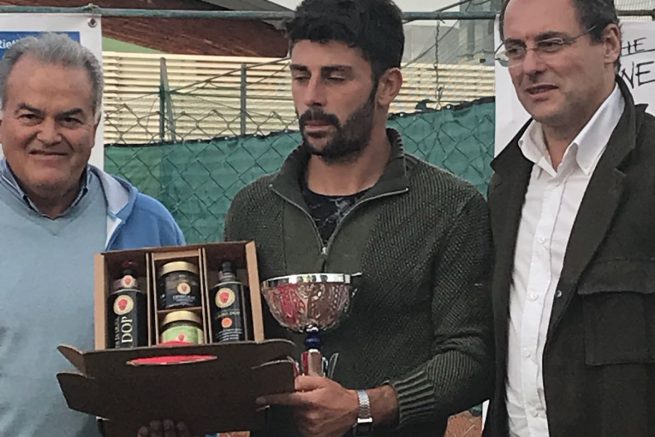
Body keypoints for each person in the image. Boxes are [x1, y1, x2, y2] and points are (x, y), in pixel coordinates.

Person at [223, 0, 494, 435]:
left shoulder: (450, 207)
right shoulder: (253, 208)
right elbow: (230, 346)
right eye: (300, 75)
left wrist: (365, 406)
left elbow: (472, 357)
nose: (311, 97)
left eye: (335, 76)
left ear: (387, 86)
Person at [0, 33, 184, 437]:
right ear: (2, 118)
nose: (49, 135)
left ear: (95, 125)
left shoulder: (148, 225)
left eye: (70, 119)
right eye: (30, 116)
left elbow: (186, 367)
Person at [485, 0, 655, 436]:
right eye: (515, 49)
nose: (530, 66)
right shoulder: (506, 182)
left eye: (551, 44)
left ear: (610, 44)